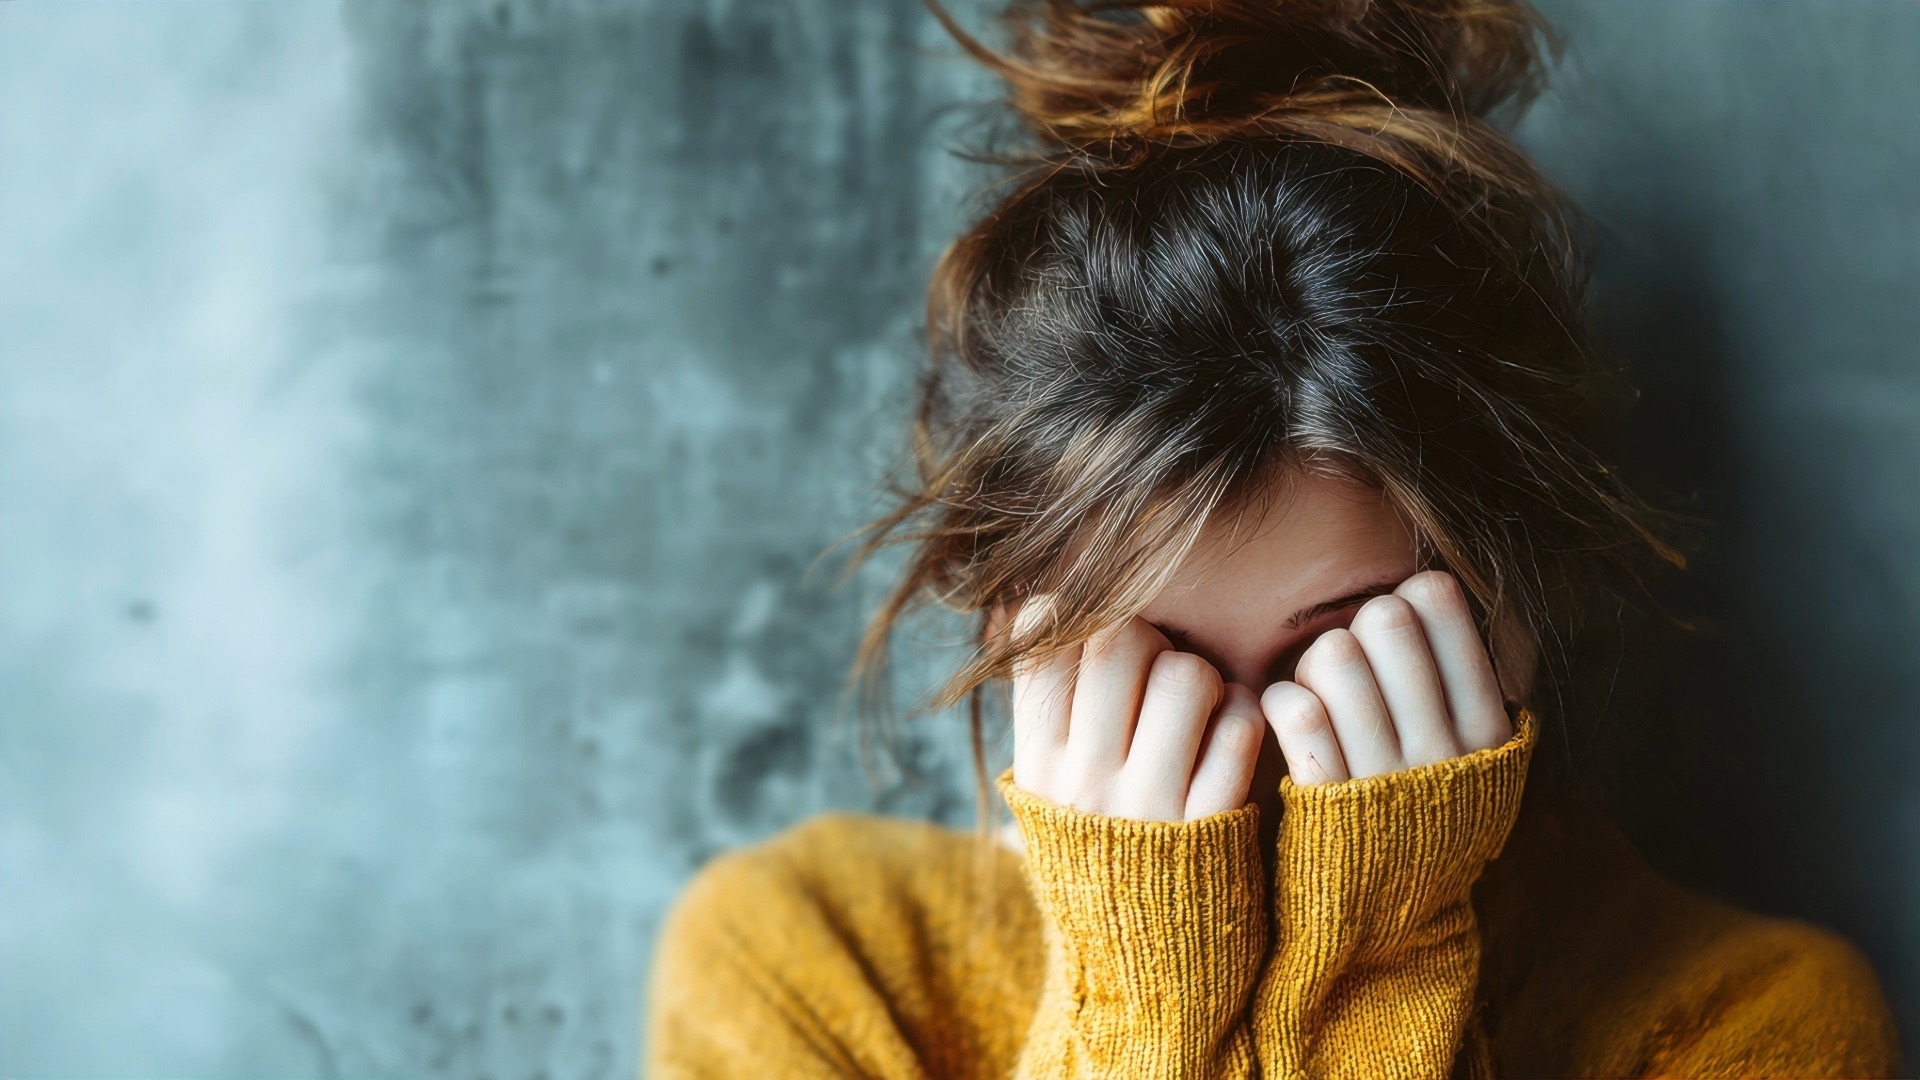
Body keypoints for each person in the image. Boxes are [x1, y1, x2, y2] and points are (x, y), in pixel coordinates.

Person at [643, 0, 1903, 1075]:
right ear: (1005, 614)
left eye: (1342, 655)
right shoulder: (809, 962)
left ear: (1515, 600)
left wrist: (1373, 962)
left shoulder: (1745, 1024)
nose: (1252, 754)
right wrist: (1136, 1001)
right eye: (1159, 661)